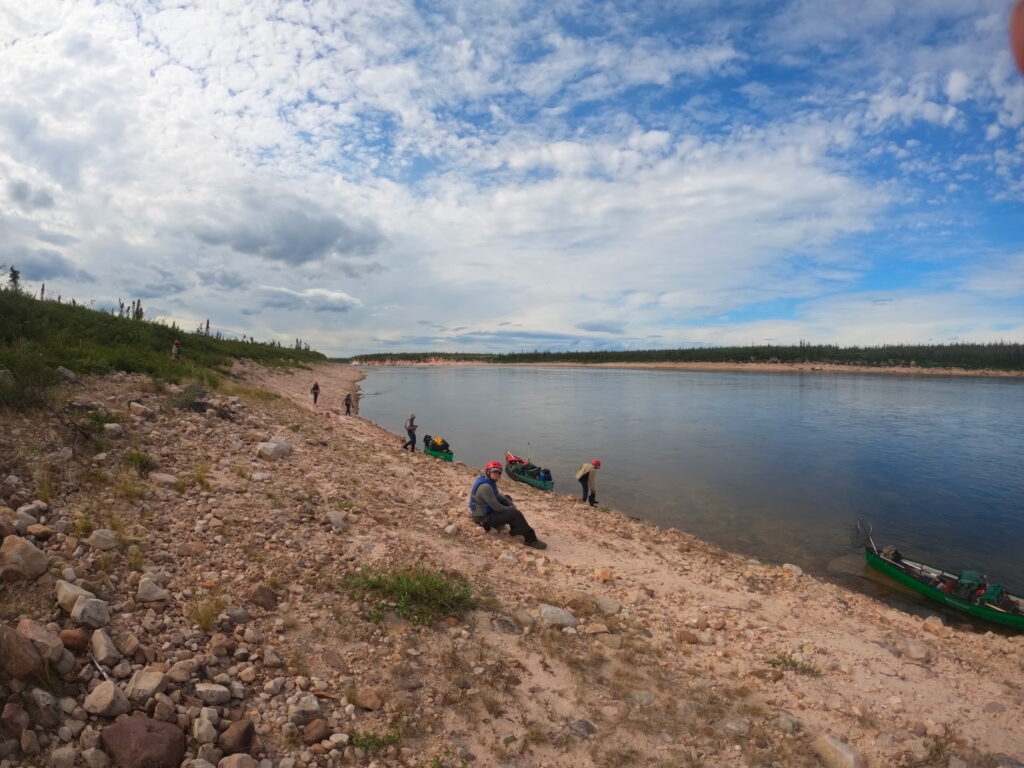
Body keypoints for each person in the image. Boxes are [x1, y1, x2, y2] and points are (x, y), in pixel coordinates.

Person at [468, 461, 547, 549]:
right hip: (483, 519)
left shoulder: (489, 481)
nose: (497, 474)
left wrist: (509, 502)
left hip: (485, 513)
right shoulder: (485, 487)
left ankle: (515, 529)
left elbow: (498, 496)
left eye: (499, 472)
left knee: (507, 498)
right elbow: (497, 507)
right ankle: (531, 540)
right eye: (494, 472)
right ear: (488, 472)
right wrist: (510, 508)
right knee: (515, 514)